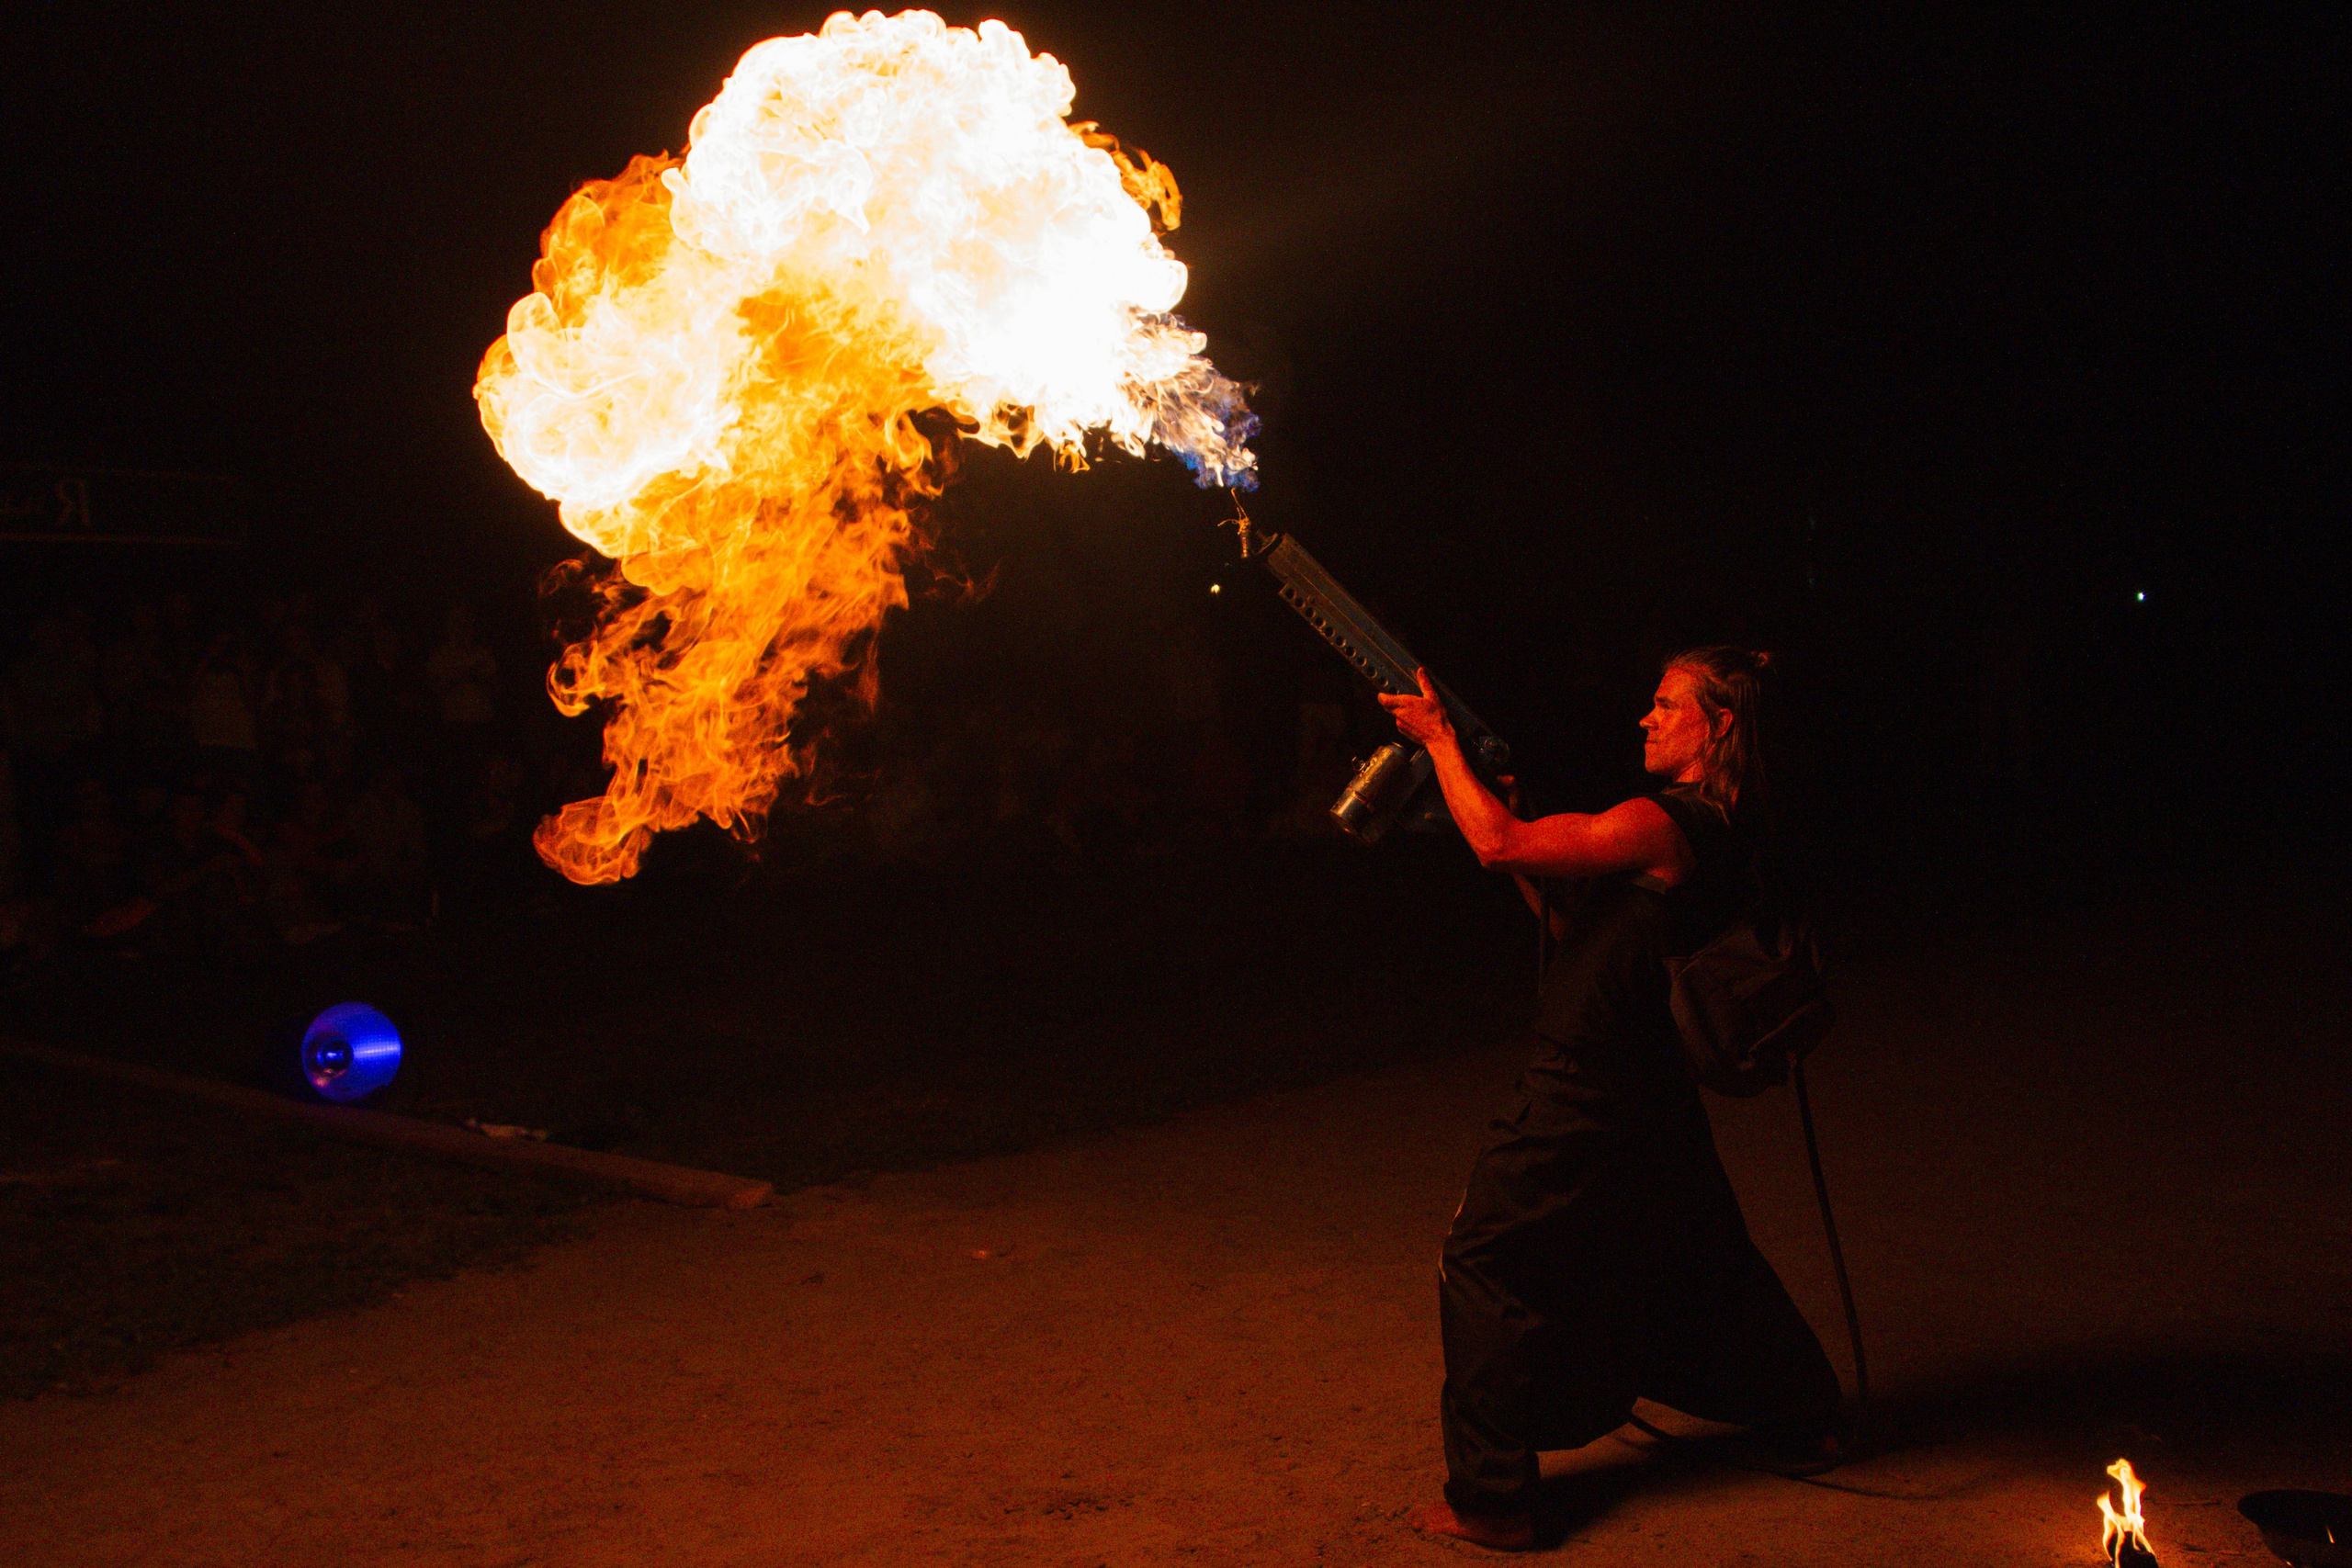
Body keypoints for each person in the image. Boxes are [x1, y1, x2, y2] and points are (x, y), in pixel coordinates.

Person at [1379, 647, 1841, 1551]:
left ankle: (1493, 1498)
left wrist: (1441, 744)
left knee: (1482, 1261)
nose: (1644, 717)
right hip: (1647, 1087)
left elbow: (1491, 845)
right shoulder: (1728, 825)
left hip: (1584, 1085)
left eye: (1665, 704)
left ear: (1718, 724)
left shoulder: (1665, 824)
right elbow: (1568, 921)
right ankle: (1804, 1413)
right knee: (1696, 1255)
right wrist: (1514, 824)